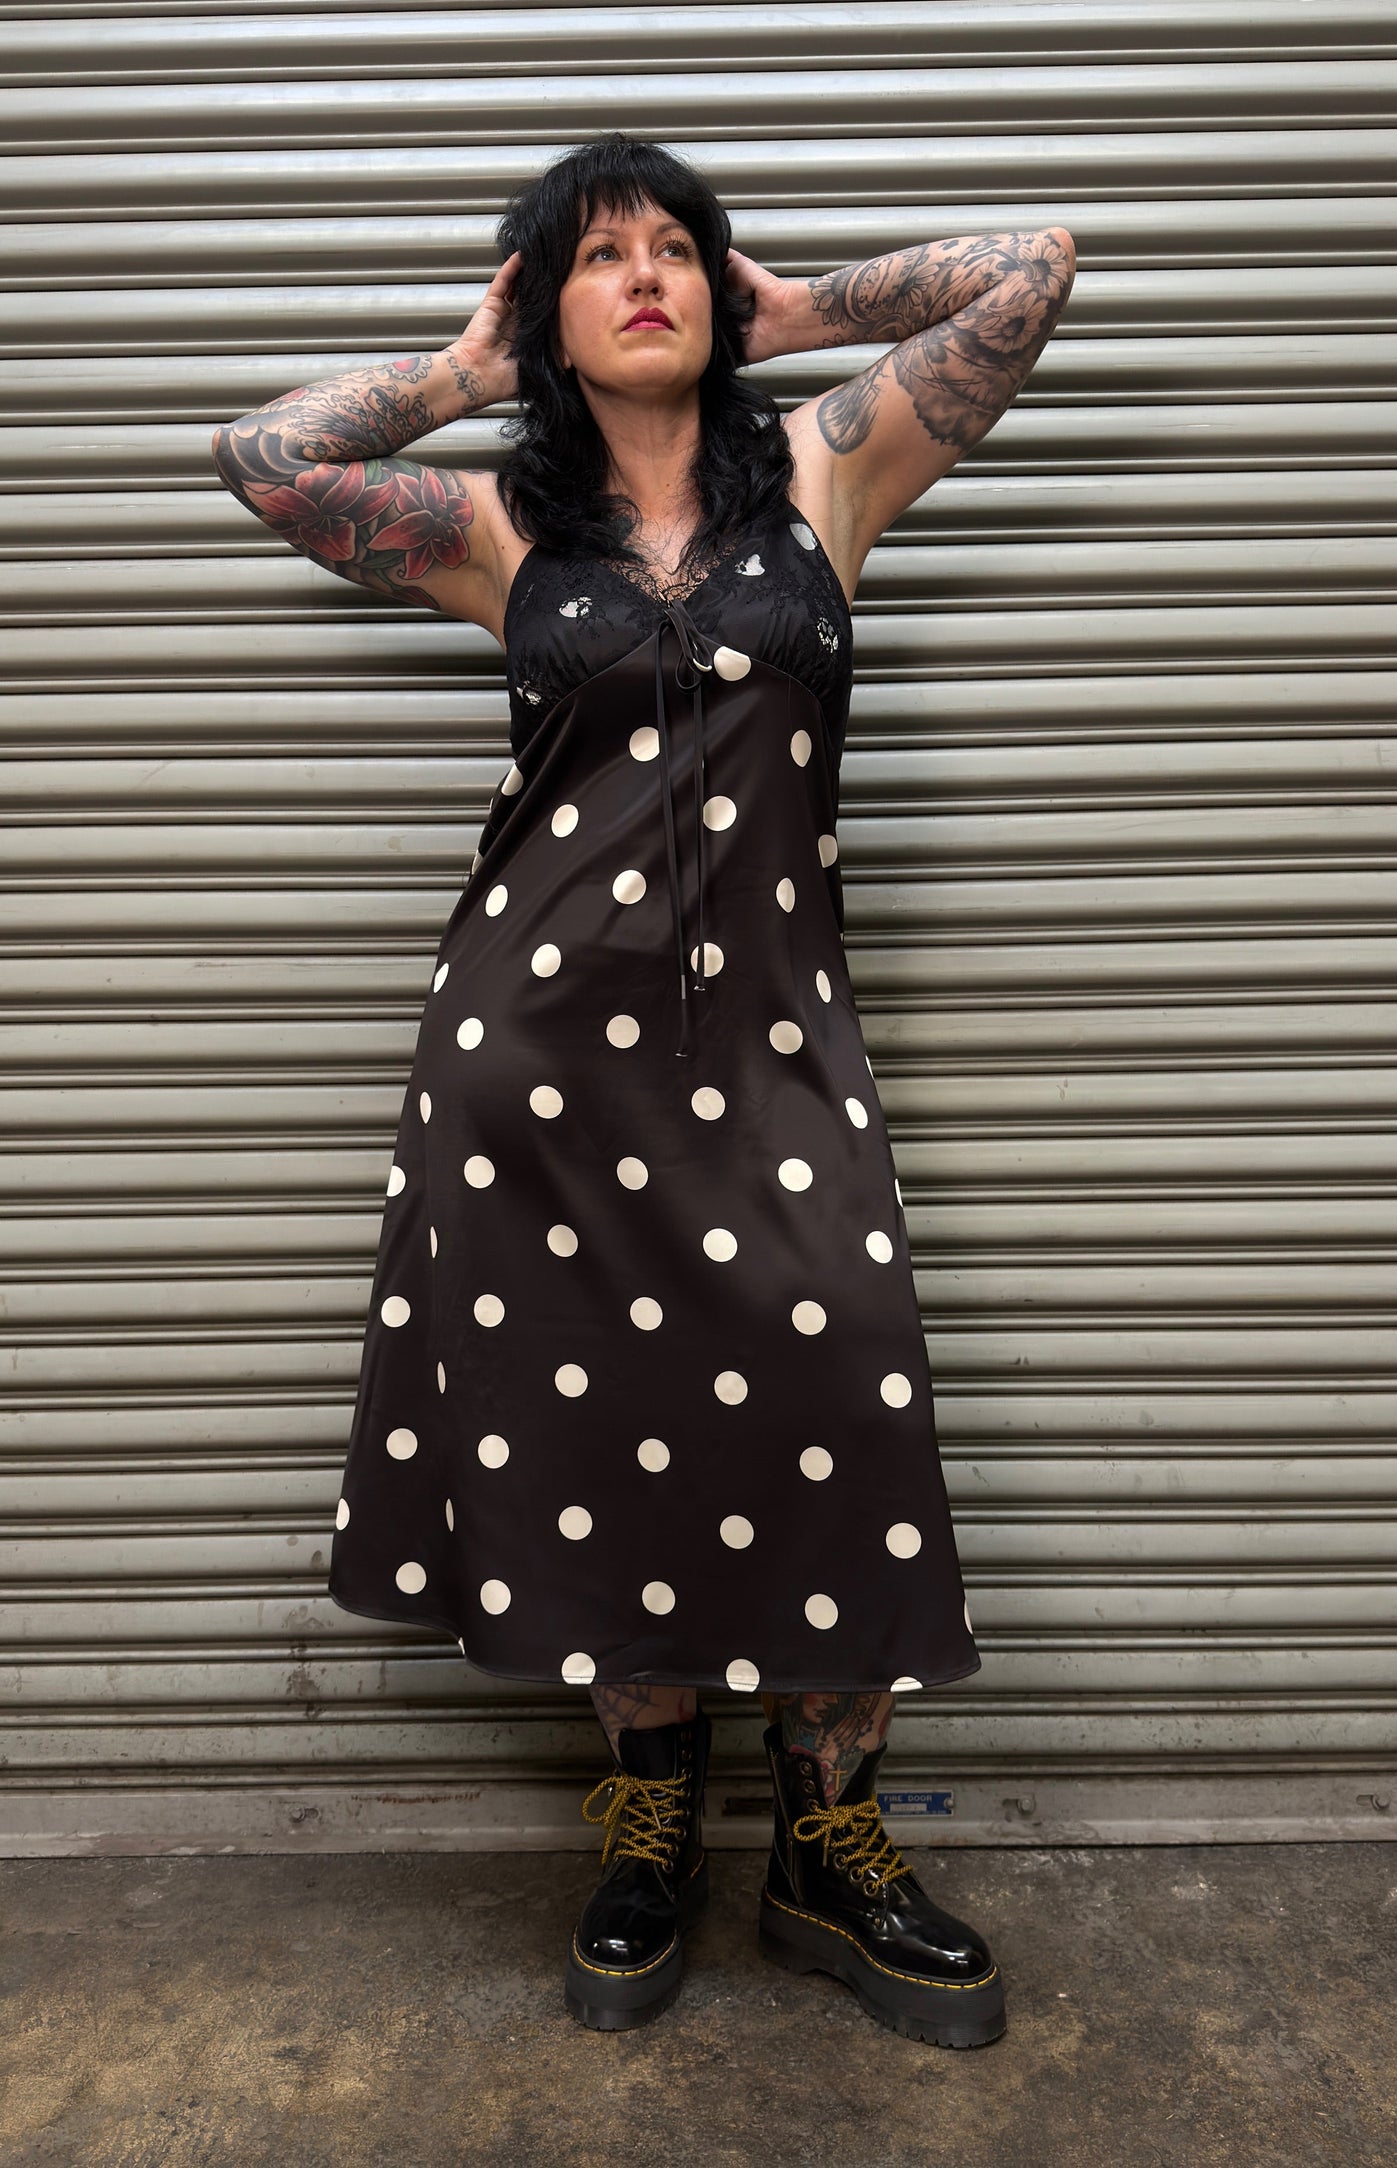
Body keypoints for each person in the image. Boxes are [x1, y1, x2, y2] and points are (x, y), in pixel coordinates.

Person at [210, 130, 1076, 2048]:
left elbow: (1032, 264)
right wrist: (464, 366)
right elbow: (261, 458)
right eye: (597, 257)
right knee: (605, 1432)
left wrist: (792, 306)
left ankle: (830, 1848)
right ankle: (652, 1826)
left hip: (772, 1057)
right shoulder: (507, 536)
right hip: (535, 1071)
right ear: (551, 307)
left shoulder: (837, 471)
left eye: (671, 247)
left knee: (837, 1375)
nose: (645, 276)